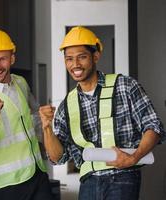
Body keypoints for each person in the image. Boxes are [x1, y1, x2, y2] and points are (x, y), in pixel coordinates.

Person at [39, 26, 166, 200]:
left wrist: (133, 158)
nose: (75, 64)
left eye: (82, 57)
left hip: (123, 177)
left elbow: (154, 127)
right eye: (69, 59)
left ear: (95, 56)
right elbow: (58, 158)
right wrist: (47, 128)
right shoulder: (66, 105)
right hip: (88, 182)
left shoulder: (125, 86)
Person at [0, 29, 54, 200]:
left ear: (12, 58)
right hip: (9, 185)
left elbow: (34, 121)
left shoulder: (20, 82)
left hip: (37, 174)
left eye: (3, 59)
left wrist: (48, 129)